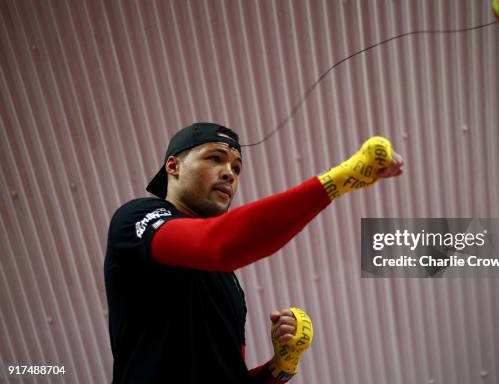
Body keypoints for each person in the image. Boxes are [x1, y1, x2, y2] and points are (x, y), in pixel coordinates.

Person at [104, 122, 404, 383]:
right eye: (215, 158)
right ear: (173, 166)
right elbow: (217, 244)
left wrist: (281, 366)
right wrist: (339, 179)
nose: (229, 174)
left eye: (236, 168)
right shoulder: (136, 218)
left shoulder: (228, 283)